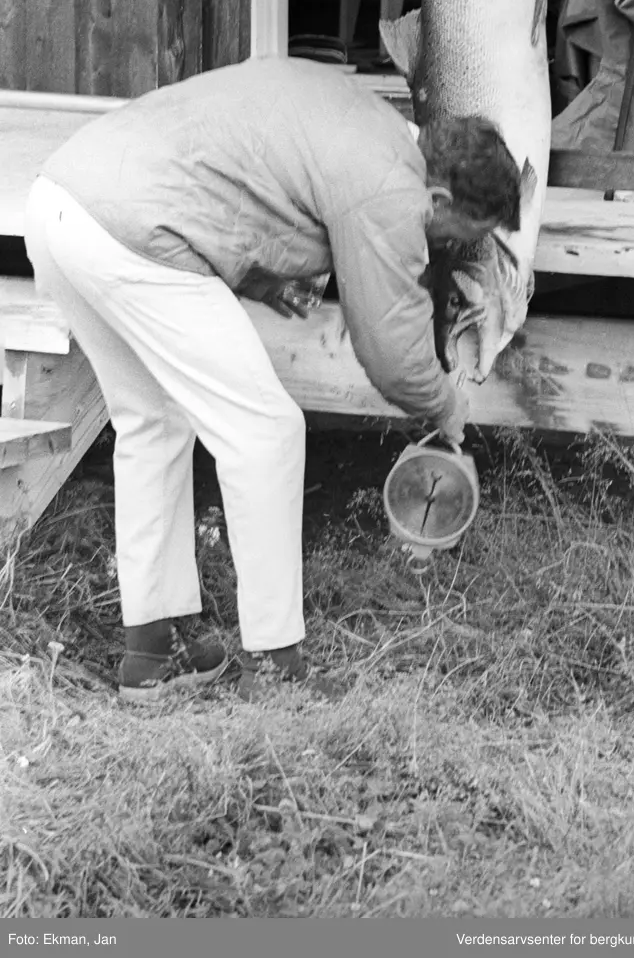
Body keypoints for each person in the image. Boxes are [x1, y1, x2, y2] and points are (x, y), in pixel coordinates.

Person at [24, 56, 522, 704]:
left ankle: (152, 653)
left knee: (154, 421)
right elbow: (389, 349)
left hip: (60, 201)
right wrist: (444, 404)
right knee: (268, 431)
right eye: (459, 232)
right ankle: (275, 665)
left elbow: (228, 166)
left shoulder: (363, 121)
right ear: (440, 199)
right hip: (133, 234)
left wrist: (256, 275)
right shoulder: (391, 188)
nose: (445, 243)